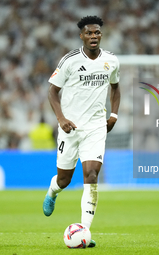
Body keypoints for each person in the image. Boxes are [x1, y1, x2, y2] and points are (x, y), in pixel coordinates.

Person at [43, 15, 121, 248]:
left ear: (101, 34)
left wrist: (114, 114)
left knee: (91, 176)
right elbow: (52, 92)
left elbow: (116, 88)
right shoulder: (70, 60)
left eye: (97, 32)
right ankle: (52, 191)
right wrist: (62, 118)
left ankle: (84, 231)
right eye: (89, 33)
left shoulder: (111, 61)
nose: (93, 36)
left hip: (96, 127)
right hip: (70, 128)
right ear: (81, 36)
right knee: (65, 180)